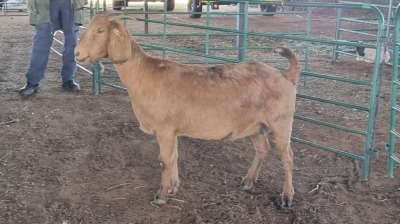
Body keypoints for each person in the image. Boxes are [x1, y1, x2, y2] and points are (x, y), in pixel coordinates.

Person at [19, 0, 86, 96]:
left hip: (71, 3)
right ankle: (32, 82)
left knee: (72, 43)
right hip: (45, 4)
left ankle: (69, 79)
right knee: (41, 43)